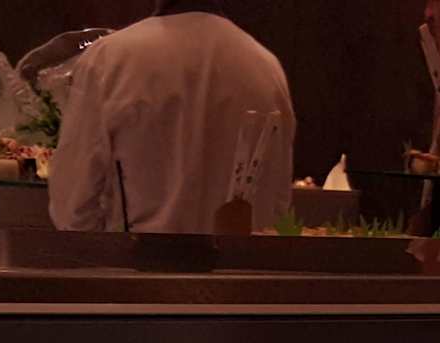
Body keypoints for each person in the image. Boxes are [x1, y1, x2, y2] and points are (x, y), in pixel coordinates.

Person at [49, 1, 294, 234]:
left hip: (137, 259)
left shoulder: (110, 58)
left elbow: (72, 205)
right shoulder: (267, 68)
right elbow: (277, 203)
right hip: (241, 262)